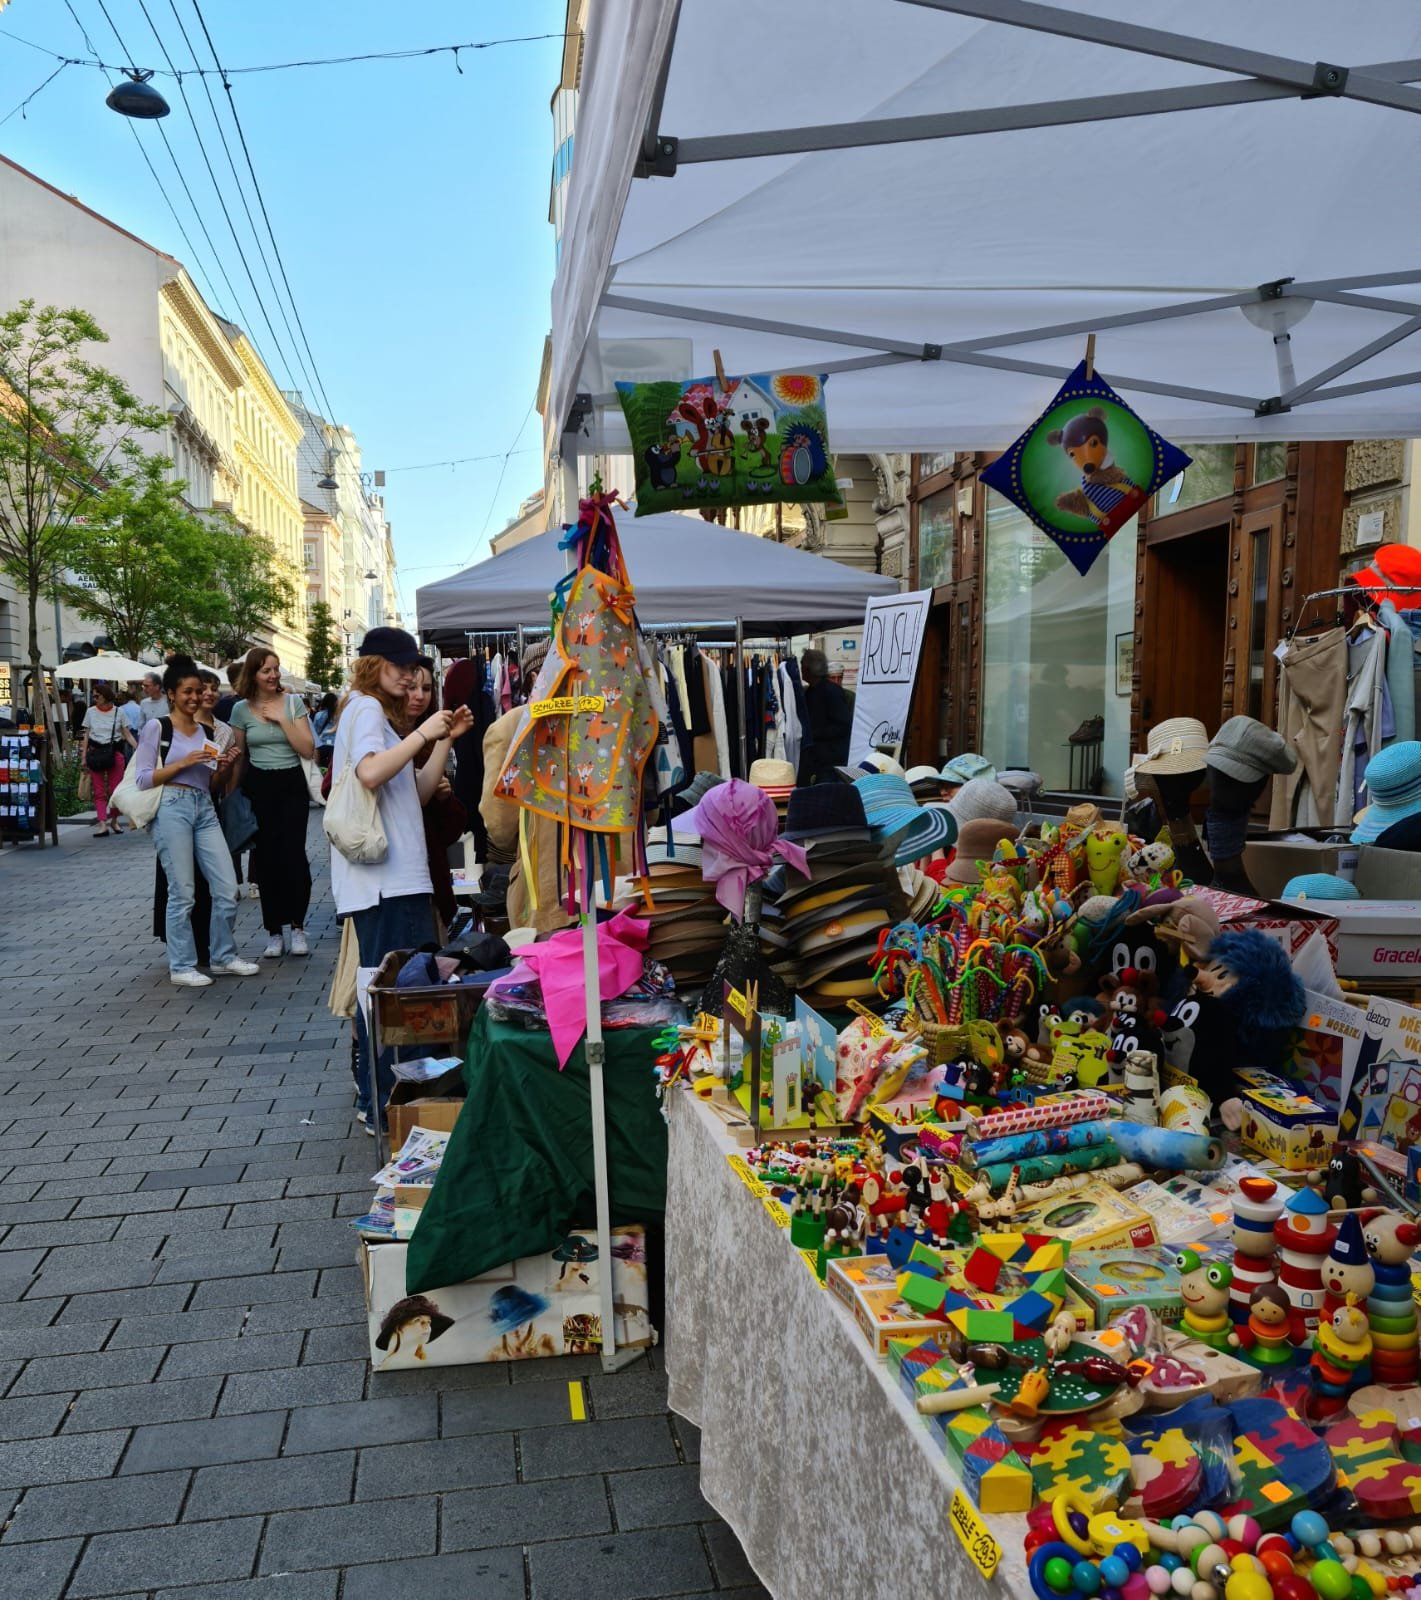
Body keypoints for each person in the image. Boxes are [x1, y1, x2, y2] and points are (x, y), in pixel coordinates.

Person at [330, 626, 470, 1132]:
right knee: (394, 998)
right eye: (399, 665)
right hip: (385, 885)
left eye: (413, 666)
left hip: (395, 883)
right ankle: (385, 1106)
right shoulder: (365, 707)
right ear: (373, 664)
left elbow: (415, 791)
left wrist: (442, 741)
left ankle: (391, 1105)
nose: (410, 673)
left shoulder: (374, 714)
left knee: (397, 995)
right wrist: (421, 734)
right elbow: (369, 774)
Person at [132, 653, 259, 987]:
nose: (194, 697)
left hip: (204, 806)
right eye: (186, 691)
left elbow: (211, 783)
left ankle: (222, 956)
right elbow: (143, 779)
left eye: (197, 691)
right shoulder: (157, 727)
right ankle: (182, 965)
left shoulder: (206, 729)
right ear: (171, 693)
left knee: (227, 887)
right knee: (183, 891)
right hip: (172, 807)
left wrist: (225, 763)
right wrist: (184, 762)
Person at [230, 647, 316, 959]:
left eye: (276, 669)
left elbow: (308, 749)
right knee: (266, 860)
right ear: (253, 674)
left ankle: (297, 926)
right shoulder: (240, 709)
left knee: (294, 855)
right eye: (267, 670)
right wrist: (232, 793)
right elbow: (240, 758)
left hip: (291, 783)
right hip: (259, 786)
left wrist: (283, 719)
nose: (273, 675)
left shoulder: (292, 703)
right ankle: (273, 931)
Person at [405, 658, 468, 933]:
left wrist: (443, 798)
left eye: (427, 688)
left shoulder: (434, 741)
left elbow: (451, 831)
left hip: (430, 875)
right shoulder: (376, 734)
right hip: (387, 882)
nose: (419, 695)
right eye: (411, 687)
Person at [797, 647, 852, 784]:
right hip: (818, 761)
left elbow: (842, 725)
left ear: (809, 669)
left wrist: (813, 733)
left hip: (830, 762)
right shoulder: (810, 691)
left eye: (802, 666)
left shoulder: (831, 692)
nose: (801, 670)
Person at [80, 682, 127, 838]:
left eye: (96, 696)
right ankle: (102, 824)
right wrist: (83, 756)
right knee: (99, 791)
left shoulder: (118, 712)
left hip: (114, 752)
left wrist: (140, 748)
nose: (94, 699)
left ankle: (114, 820)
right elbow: (86, 734)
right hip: (96, 752)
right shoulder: (91, 712)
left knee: (116, 791)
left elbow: (126, 733)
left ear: (105, 696)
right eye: (94, 696)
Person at [312, 692, 339, 772]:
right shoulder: (339, 716)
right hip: (335, 746)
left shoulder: (318, 715)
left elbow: (314, 732)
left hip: (321, 746)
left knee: (321, 769)